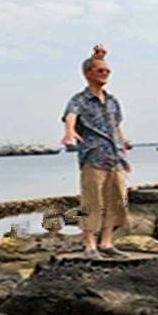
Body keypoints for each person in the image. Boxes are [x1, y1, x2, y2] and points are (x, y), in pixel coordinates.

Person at [61, 44, 131, 259]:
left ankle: (107, 243)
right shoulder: (79, 100)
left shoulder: (112, 101)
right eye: (100, 70)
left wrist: (123, 146)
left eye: (107, 71)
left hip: (115, 157)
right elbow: (70, 116)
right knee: (92, 202)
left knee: (116, 201)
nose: (105, 73)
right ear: (87, 74)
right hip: (93, 156)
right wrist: (70, 132)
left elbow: (116, 125)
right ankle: (90, 246)